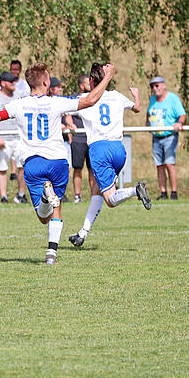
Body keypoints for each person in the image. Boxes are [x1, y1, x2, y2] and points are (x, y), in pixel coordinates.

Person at [0, 63, 115, 265]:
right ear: (46, 82)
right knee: (57, 207)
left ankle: (46, 200)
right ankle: (51, 252)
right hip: (58, 163)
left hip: (34, 164)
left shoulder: (19, 104)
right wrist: (107, 77)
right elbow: (90, 100)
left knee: (43, 216)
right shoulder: (57, 102)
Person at [67, 64, 152, 247]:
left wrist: (68, 123)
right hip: (119, 150)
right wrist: (136, 94)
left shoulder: (85, 98)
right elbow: (137, 108)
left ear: (91, 81)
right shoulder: (116, 96)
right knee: (97, 190)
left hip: (100, 150)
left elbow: (64, 107)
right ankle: (82, 233)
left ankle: (134, 190)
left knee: (111, 200)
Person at [0, 71, 26, 203]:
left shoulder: (18, 96)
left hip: (18, 137)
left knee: (22, 166)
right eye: (10, 81)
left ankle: (21, 195)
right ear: (2, 83)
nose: (13, 83)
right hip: (3, 138)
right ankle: (4, 196)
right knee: (2, 168)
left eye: (14, 81)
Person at [146, 76, 186, 200]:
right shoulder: (152, 99)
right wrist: (147, 122)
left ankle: (174, 192)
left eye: (157, 85)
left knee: (169, 164)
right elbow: (149, 112)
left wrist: (179, 123)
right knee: (159, 165)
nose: (154, 88)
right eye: (152, 86)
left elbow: (182, 114)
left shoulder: (172, 98)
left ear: (164, 85)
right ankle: (163, 193)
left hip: (169, 136)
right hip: (156, 137)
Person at [66, 74, 93, 203]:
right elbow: (67, 114)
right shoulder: (75, 100)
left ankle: (95, 195)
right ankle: (77, 195)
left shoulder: (94, 98)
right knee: (78, 168)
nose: (91, 85)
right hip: (79, 139)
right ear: (82, 86)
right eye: (89, 83)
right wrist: (70, 124)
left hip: (92, 138)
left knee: (93, 168)